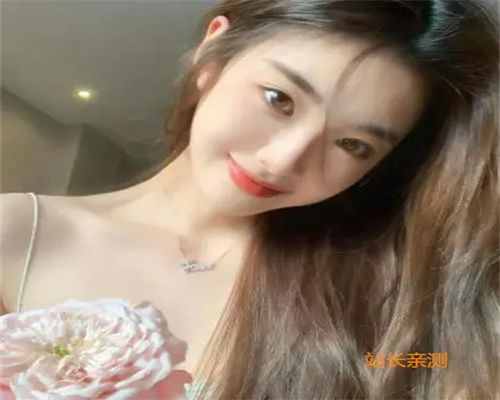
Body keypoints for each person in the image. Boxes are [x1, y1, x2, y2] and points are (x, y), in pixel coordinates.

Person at [1, 0, 498, 398]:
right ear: (213, 54)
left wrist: (461, 367)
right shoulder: (15, 232)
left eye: (352, 145)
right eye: (279, 99)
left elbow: (424, 364)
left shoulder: (363, 291)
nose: (283, 160)